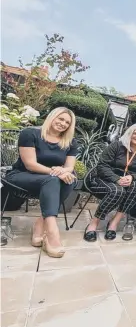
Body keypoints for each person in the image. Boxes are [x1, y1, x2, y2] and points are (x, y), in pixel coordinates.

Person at [5, 107, 78, 258]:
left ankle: (40, 224)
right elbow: (30, 164)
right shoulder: (30, 133)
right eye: (60, 119)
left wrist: (64, 171)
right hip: (21, 176)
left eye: (67, 122)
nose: (63, 123)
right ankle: (52, 233)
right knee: (52, 179)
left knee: (69, 180)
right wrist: (56, 171)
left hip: (47, 179)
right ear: (52, 117)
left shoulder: (70, 142)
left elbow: (70, 167)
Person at [83, 124, 136, 242]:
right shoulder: (116, 146)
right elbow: (102, 166)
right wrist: (116, 179)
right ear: (129, 134)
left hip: (129, 183)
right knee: (117, 190)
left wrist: (132, 177)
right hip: (106, 180)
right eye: (135, 133)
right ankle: (94, 223)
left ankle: (114, 223)